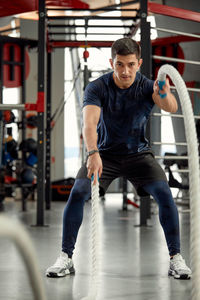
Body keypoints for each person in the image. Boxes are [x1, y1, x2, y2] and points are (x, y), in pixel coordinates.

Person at [46, 37, 191, 280]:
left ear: (139, 63)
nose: (125, 71)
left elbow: (171, 107)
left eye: (131, 65)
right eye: (120, 64)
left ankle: (176, 259)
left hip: (139, 156)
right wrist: (93, 153)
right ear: (112, 62)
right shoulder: (97, 87)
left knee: (165, 196)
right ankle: (65, 257)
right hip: (105, 155)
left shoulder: (147, 86)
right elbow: (89, 123)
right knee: (78, 193)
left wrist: (164, 92)